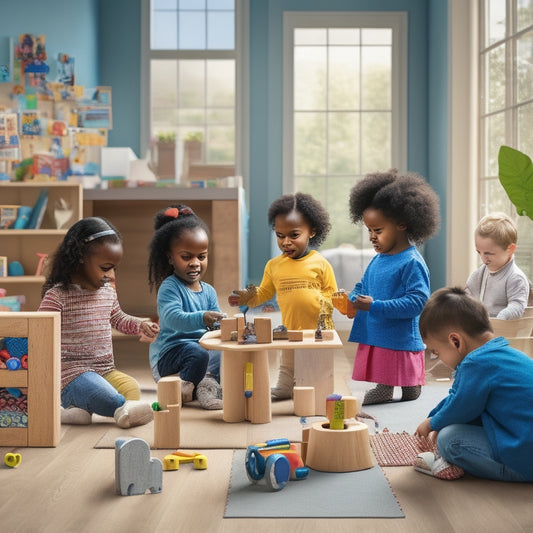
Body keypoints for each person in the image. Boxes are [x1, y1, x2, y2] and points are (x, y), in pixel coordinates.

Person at [39, 217, 160, 428]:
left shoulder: (107, 293)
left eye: (114, 268)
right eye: (105, 268)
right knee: (109, 398)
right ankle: (119, 411)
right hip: (71, 373)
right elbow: (40, 332)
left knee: (131, 387)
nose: (110, 275)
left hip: (105, 369)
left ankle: (76, 412)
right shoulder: (57, 296)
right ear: (79, 259)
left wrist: (140, 324)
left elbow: (118, 318)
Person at [414, 287, 533, 481]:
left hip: (525, 459)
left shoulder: (475, 363)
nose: (438, 358)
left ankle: (458, 463)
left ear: (455, 341)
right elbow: (458, 396)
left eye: (436, 351)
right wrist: (436, 417)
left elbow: (461, 407)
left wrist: (433, 423)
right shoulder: (501, 354)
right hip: (522, 439)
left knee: (450, 440)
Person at [342, 169, 440, 405]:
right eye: (369, 231)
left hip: (398, 332)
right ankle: (390, 386)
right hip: (377, 328)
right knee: (384, 361)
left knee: (398, 364)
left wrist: (375, 306)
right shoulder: (378, 259)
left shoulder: (412, 262)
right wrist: (353, 298)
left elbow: (417, 302)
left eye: (378, 231)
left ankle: (406, 386)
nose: (372, 237)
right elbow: (363, 284)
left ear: (402, 225)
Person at [228, 192, 337, 400]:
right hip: (290, 328)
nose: (286, 242)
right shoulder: (274, 265)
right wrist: (246, 297)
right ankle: (286, 387)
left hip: (317, 331)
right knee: (287, 361)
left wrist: (326, 317)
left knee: (315, 369)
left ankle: (316, 388)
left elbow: (332, 294)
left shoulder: (320, 263)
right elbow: (263, 294)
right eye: (280, 235)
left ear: (312, 231)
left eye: (294, 235)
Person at [148, 205, 225, 410]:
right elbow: (173, 318)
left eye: (201, 256)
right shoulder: (170, 287)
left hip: (199, 350)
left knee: (223, 350)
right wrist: (203, 318)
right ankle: (187, 388)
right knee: (197, 352)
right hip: (170, 354)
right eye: (186, 257)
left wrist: (224, 327)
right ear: (170, 258)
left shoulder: (208, 290)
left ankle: (208, 385)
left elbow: (215, 326)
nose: (195, 263)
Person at [465, 212, 529, 319]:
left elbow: (518, 305)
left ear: (510, 250)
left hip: (505, 332)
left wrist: (501, 318)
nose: (482, 258)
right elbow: (467, 296)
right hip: (482, 329)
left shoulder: (515, 277)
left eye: (488, 253)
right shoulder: (480, 273)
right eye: (479, 252)